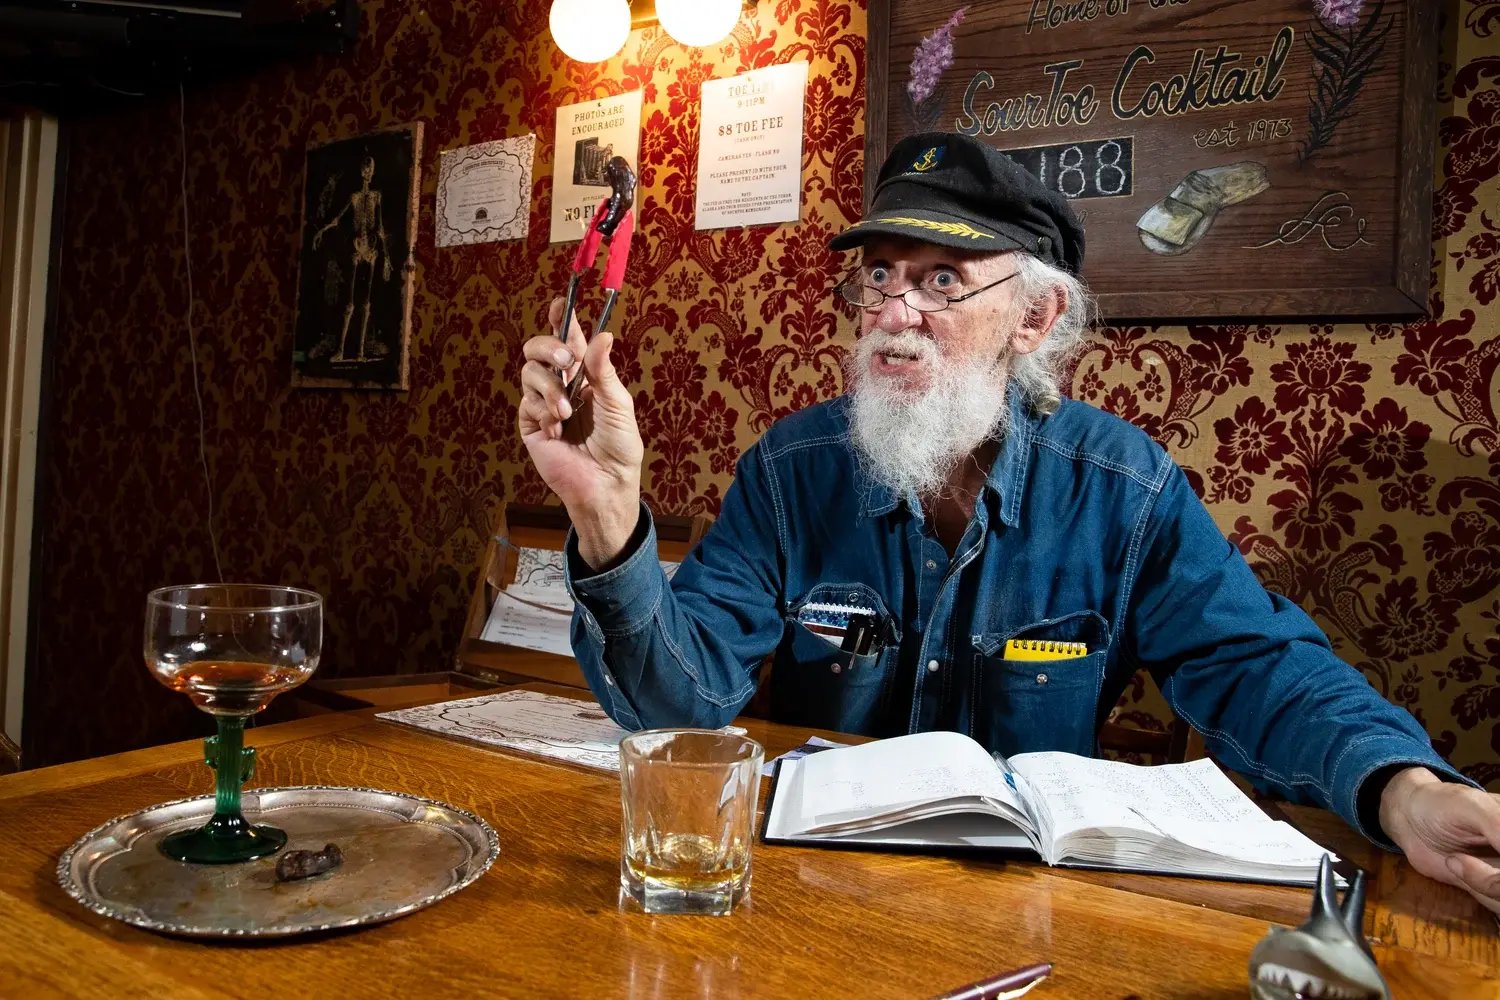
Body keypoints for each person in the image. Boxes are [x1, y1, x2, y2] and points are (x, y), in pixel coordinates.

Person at [517, 132, 1500, 912]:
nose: (893, 312)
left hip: (1037, 914)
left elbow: (1259, 669)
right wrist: (609, 521)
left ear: (1032, 320)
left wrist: (1400, 788)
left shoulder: (1124, 487)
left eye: (942, 280)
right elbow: (678, 712)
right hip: (807, 907)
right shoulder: (790, 469)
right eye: (879, 277)